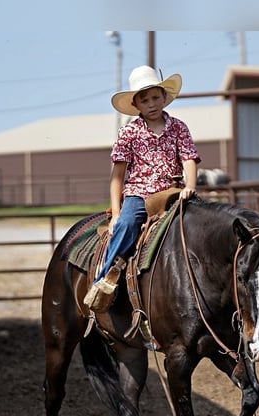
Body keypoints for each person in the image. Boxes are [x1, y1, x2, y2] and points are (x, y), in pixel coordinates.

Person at [84, 65, 201, 313]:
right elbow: (118, 176)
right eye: (145, 100)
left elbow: (189, 159)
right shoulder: (129, 132)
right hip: (139, 193)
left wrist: (190, 185)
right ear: (136, 105)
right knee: (126, 226)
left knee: (201, 224)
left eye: (156, 97)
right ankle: (103, 280)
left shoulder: (179, 127)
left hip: (173, 191)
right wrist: (116, 214)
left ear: (164, 97)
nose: (152, 104)